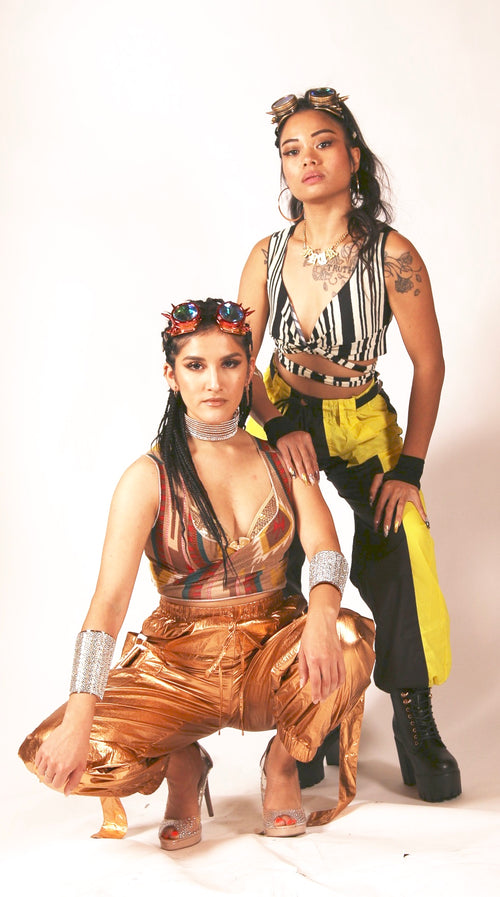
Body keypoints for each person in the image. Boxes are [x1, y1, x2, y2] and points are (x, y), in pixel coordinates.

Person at [19, 298, 375, 849]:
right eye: (195, 365)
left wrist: (323, 617)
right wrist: (79, 719)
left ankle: (281, 765)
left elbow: (325, 549)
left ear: (249, 372)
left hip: (269, 656)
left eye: (230, 363)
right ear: (171, 375)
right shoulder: (148, 477)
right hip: (177, 667)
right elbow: (108, 603)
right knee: (53, 752)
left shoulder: (284, 459)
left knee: (351, 638)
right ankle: (184, 765)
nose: (214, 382)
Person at [238, 88, 461, 802]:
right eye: (291, 150)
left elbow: (430, 364)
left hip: (358, 418)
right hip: (279, 409)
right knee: (276, 551)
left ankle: (413, 715)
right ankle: (303, 712)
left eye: (323, 143)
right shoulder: (268, 254)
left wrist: (410, 468)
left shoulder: (392, 255)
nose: (306, 159)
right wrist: (278, 427)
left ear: (353, 156)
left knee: (403, 546)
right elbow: (240, 359)